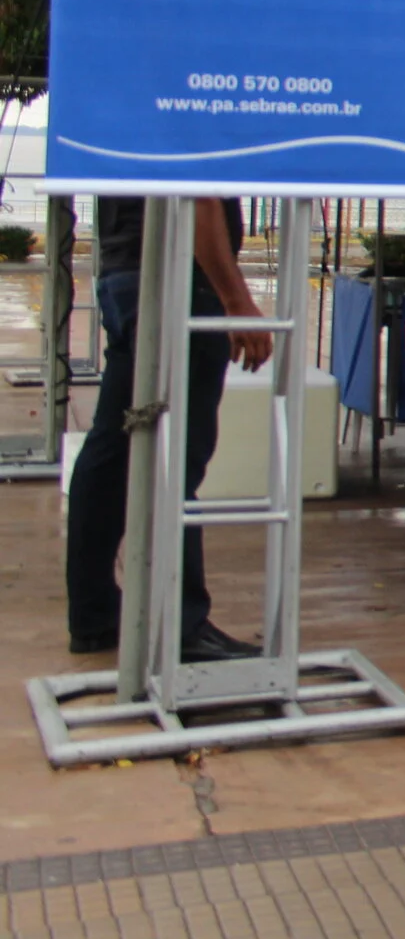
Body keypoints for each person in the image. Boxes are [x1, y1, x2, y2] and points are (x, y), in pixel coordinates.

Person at [65, 197, 272, 662]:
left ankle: (94, 612)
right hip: (176, 278)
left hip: (124, 273)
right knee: (176, 459)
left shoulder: (128, 123)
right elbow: (200, 196)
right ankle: (184, 626)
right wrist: (236, 298)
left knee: (113, 447)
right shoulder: (190, 124)